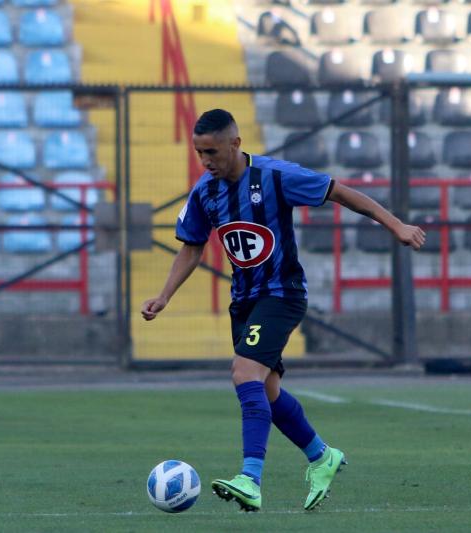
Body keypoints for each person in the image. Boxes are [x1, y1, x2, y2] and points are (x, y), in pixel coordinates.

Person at [141, 109, 426, 512]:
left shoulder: (275, 176)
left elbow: (340, 192)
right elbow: (191, 247)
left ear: (235, 144)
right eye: (199, 152)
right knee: (267, 391)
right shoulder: (205, 192)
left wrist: (394, 224)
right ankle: (322, 456)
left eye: (212, 152)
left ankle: (251, 479)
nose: (205, 161)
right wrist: (165, 295)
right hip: (244, 300)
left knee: (243, 374)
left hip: (282, 293)